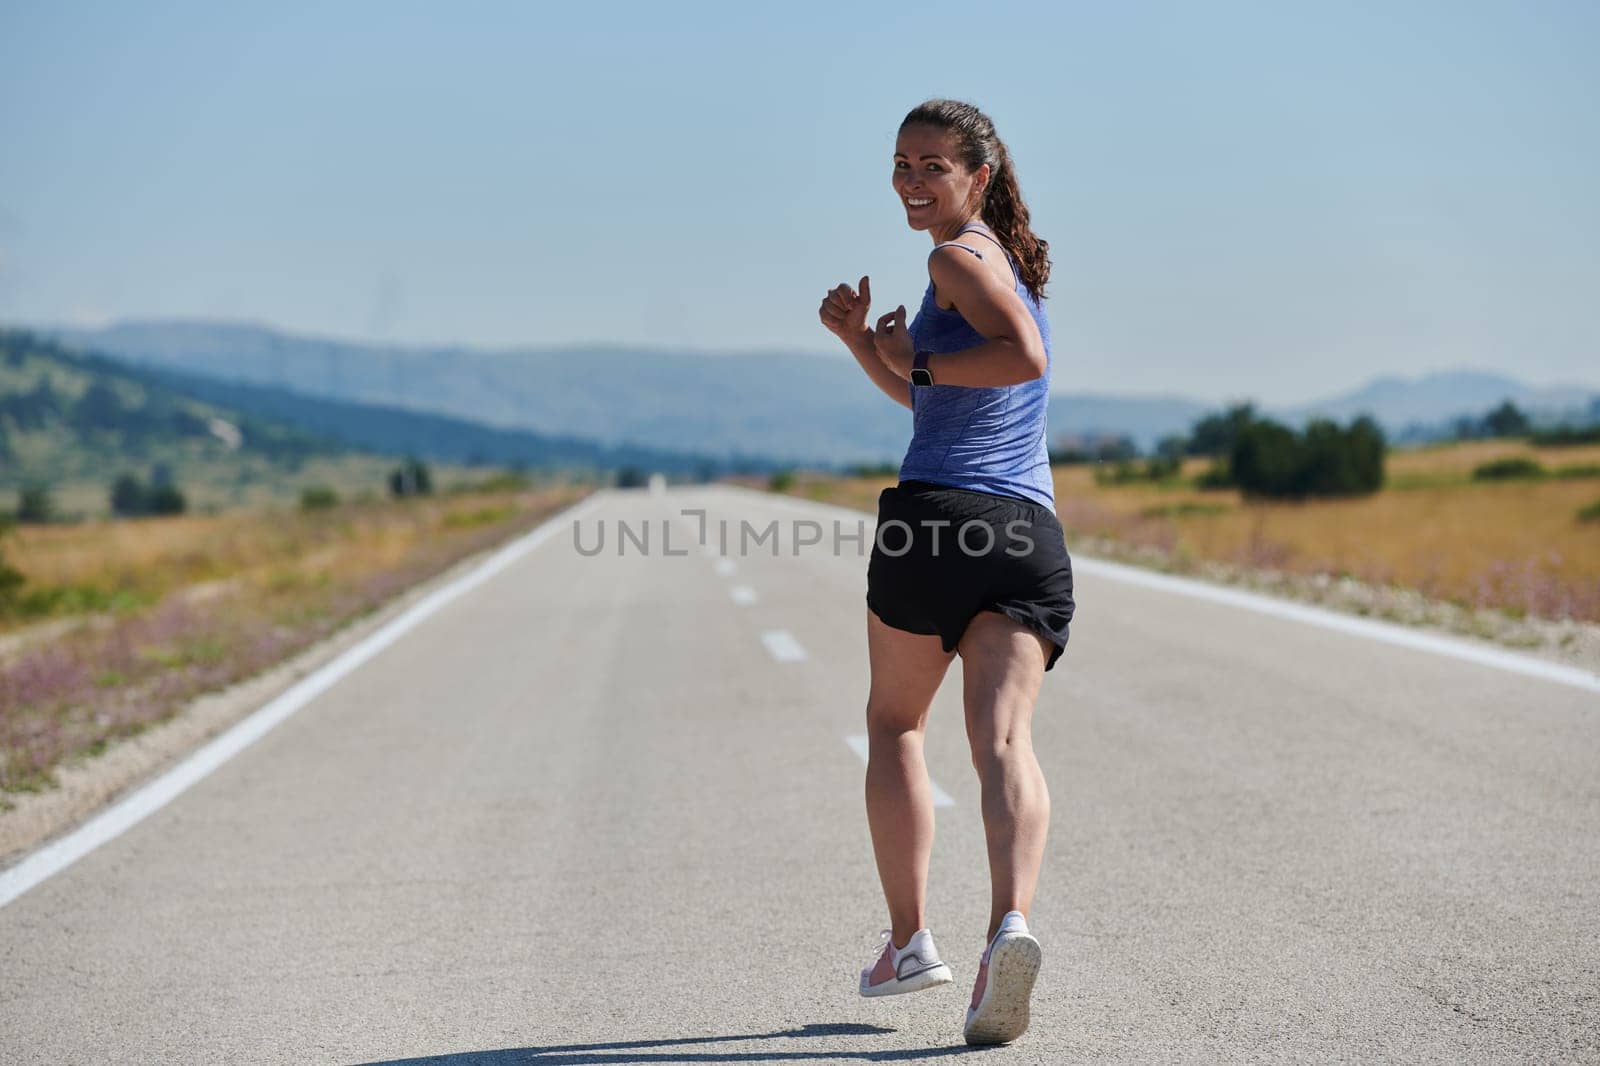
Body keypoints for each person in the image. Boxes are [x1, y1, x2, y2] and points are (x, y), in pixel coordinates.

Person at [816, 98, 1075, 1047]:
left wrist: (916, 356)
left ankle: (909, 940)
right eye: (901, 163)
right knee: (1003, 743)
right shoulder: (1000, 264)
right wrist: (869, 347)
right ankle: (1010, 925)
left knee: (894, 724)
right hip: (1023, 529)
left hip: (936, 524)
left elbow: (1019, 356)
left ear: (981, 175)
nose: (912, 181)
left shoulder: (954, 260)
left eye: (933, 165)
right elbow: (936, 396)